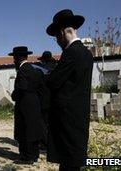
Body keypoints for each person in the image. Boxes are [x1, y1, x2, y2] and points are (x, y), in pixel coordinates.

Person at [46, 9, 93, 171]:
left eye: (56, 38)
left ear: (61, 33)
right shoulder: (86, 53)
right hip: (79, 115)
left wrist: (44, 75)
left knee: (68, 162)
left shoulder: (71, 52)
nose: (57, 42)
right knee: (74, 160)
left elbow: (54, 81)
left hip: (67, 118)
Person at [9, 46, 46, 164]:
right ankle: (34, 155)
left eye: (14, 58)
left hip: (25, 104)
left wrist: (14, 95)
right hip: (34, 103)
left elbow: (22, 87)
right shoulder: (34, 69)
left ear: (19, 58)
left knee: (24, 130)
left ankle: (26, 157)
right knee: (33, 130)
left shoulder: (23, 70)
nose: (13, 61)